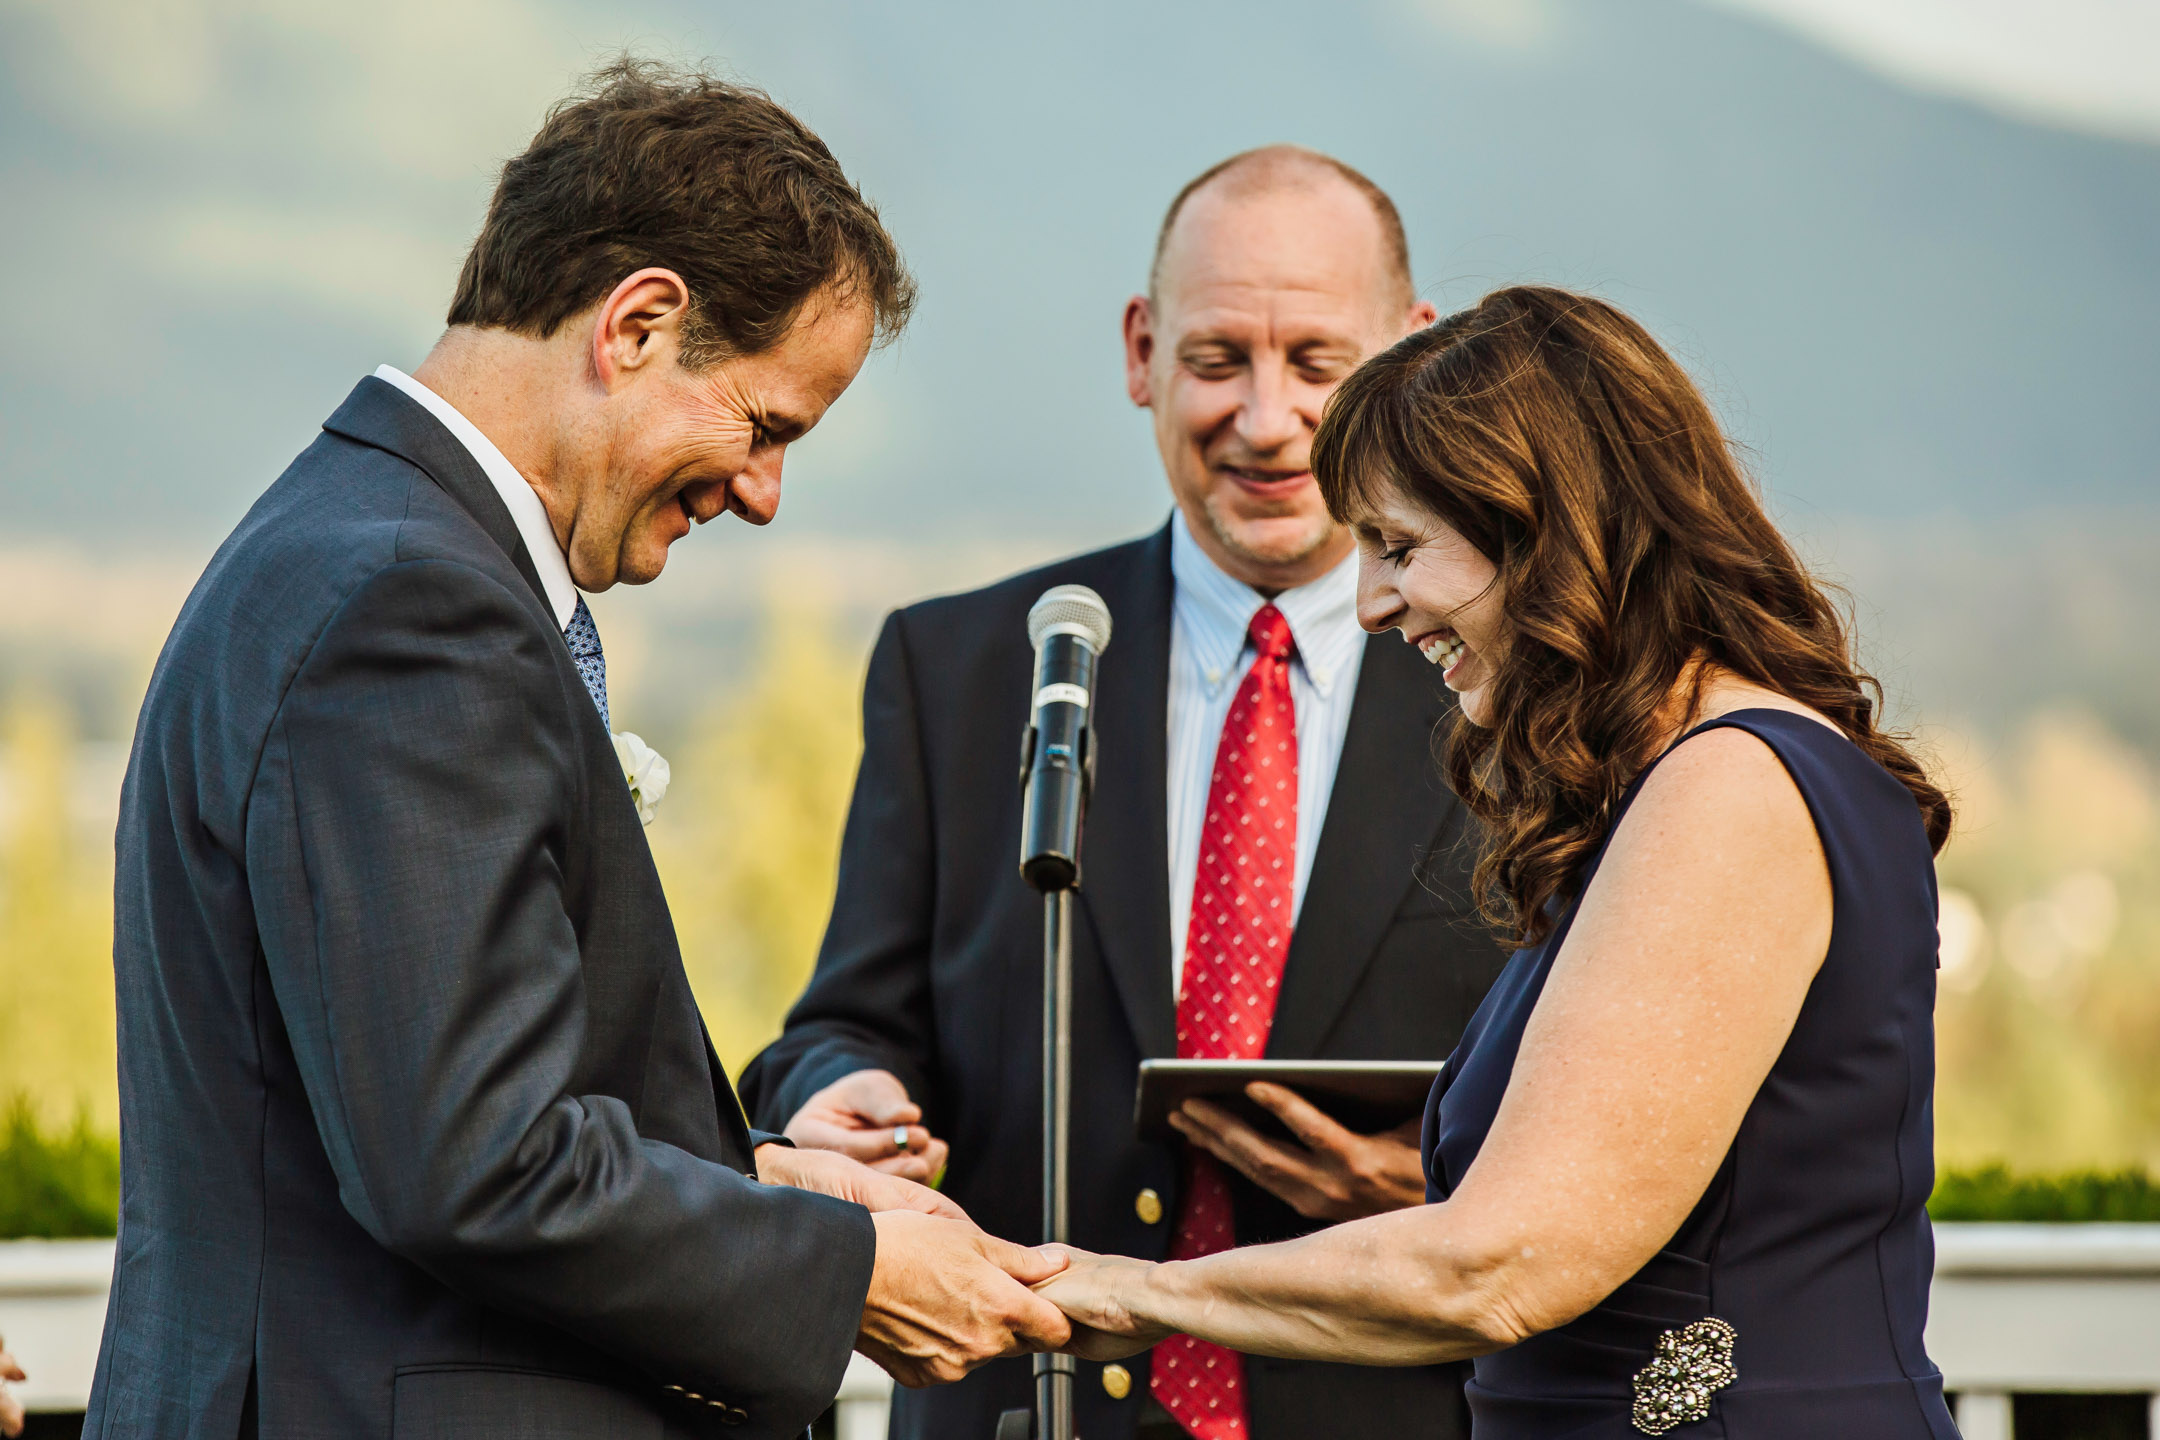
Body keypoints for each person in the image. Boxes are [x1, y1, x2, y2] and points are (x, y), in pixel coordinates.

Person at [90, 60, 1071, 1440]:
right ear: (641, 323)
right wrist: (846, 1274)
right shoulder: (407, 600)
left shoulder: (350, 541)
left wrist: (768, 1183)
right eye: (765, 423)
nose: (765, 494)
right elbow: (473, 1162)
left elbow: (405, 1101)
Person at [1034, 284, 1962, 1438]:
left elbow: (1497, 1265)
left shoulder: (1729, 789)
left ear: (1549, 529)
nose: (1370, 602)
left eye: (1398, 546)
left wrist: (1135, 1290)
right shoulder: (1675, 787)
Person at [740, 147, 1509, 1440]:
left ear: (1413, 355)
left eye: (1318, 363)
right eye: (1218, 361)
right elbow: (842, 1024)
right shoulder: (964, 667)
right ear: (1142, 350)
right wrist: (832, 1100)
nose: (1267, 421)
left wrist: (1450, 1176)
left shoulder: (1516, 691)